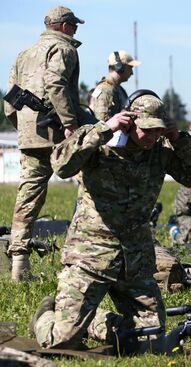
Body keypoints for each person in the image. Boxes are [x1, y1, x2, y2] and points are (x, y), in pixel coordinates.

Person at [31, 93, 191, 349]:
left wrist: (180, 140)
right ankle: (48, 316)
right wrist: (102, 129)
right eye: (146, 130)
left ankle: (92, 322)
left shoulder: (161, 151)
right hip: (91, 256)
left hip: (134, 260)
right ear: (129, 121)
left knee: (152, 340)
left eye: (157, 131)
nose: (151, 137)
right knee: (61, 341)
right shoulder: (101, 142)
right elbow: (61, 165)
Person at [4, 5, 89, 281]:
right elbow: (55, 82)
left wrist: (24, 128)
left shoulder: (23, 54)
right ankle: (87, 255)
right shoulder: (64, 49)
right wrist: (69, 124)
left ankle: (19, 264)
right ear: (64, 26)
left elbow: (9, 101)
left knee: (29, 195)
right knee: (91, 184)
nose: (75, 30)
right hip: (60, 132)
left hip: (30, 134)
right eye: (74, 25)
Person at [90, 50, 141, 121]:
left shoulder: (120, 90)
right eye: (130, 68)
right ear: (120, 67)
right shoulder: (103, 89)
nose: (132, 73)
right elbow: (101, 121)